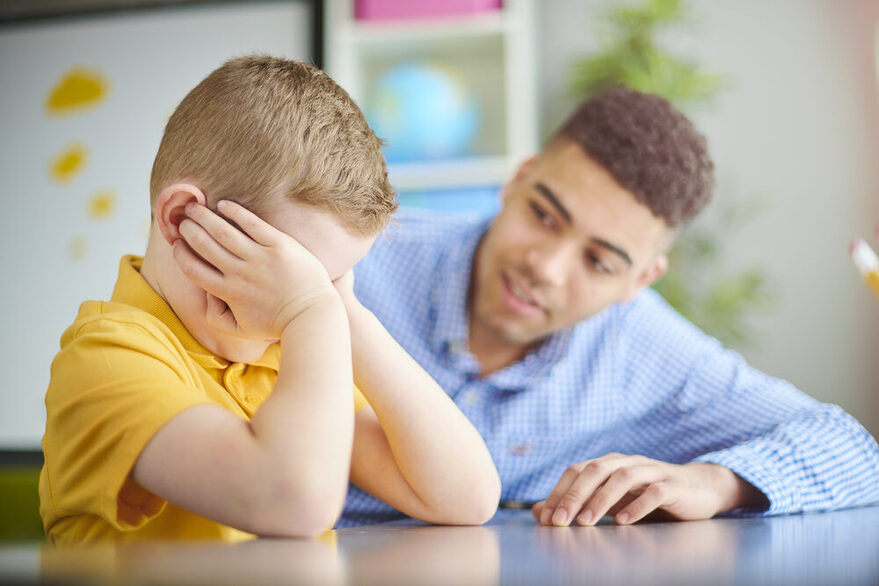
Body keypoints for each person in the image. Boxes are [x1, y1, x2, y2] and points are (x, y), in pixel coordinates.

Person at [339, 85, 879, 528]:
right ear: (518, 179)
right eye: (545, 216)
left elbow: (854, 453)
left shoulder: (642, 346)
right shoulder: (358, 258)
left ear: (639, 280)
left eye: (598, 262)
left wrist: (714, 482)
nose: (545, 268)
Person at [38, 56, 500, 544]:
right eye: (288, 271)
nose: (304, 296)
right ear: (182, 220)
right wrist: (311, 312)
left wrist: (346, 313)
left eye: (328, 280)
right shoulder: (104, 360)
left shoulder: (284, 353)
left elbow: (465, 497)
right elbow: (294, 500)